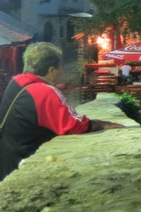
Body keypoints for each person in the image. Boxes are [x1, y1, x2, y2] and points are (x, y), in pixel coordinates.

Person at [0, 42, 124, 182]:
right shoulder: (44, 91)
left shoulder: (17, 82)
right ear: (51, 70)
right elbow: (73, 125)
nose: (63, 71)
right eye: (61, 67)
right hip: (24, 161)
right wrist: (103, 124)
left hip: (8, 157)